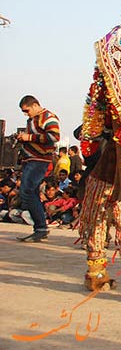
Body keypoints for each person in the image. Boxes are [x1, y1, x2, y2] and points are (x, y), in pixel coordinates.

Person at [16, 95, 61, 242]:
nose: (26, 114)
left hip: (40, 160)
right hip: (32, 159)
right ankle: (40, 227)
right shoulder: (33, 120)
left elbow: (54, 136)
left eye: (27, 110)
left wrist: (29, 138)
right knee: (31, 192)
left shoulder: (48, 117)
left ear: (35, 105)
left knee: (27, 191)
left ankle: (41, 227)